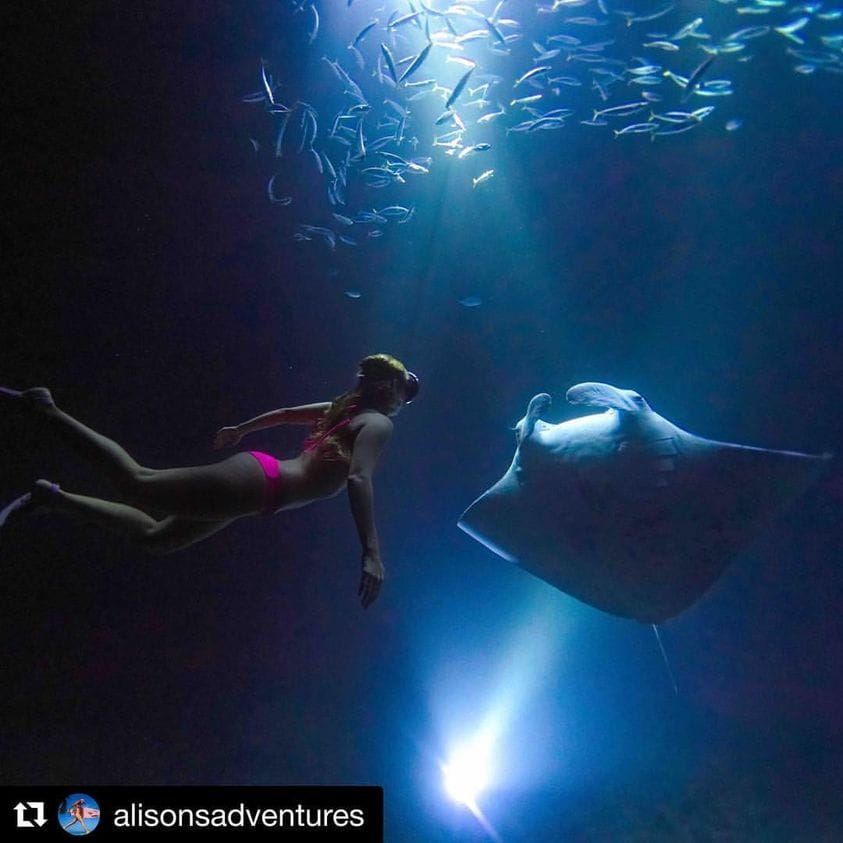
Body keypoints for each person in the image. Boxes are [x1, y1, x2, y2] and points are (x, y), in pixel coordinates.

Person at [0, 354, 418, 608]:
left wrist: (241, 429)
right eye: (404, 391)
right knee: (137, 482)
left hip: (259, 489)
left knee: (157, 537)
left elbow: (288, 413)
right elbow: (359, 478)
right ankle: (47, 409)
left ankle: (50, 497)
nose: (404, 401)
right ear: (388, 387)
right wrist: (372, 553)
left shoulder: (344, 407)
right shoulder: (377, 422)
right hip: (259, 483)